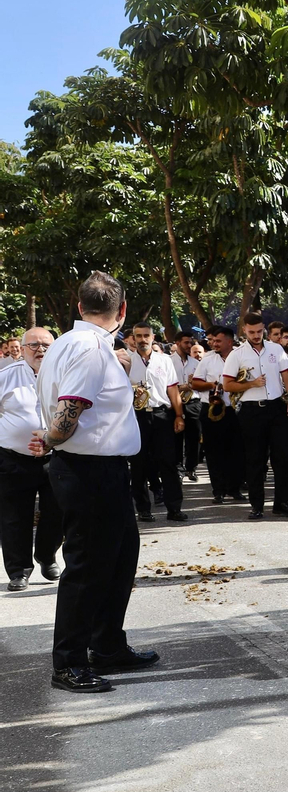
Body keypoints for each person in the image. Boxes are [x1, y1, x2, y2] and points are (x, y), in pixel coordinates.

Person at [33, 272, 157, 693]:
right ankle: (68, 661)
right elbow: (70, 410)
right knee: (87, 569)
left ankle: (107, 645)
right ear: (121, 311)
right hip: (88, 470)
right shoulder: (88, 348)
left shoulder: (74, 342)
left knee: (120, 559)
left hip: (102, 470)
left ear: (79, 305)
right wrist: (50, 438)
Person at [0, 328, 61, 591]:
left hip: (56, 457)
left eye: (46, 345)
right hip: (13, 459)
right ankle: (18, 571)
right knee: (14, 516)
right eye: (34, 345)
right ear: (22, 349)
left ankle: (46, 555)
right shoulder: (5, 377)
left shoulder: (65, 376)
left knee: (56, 512)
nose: (40, 350)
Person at [225, 314, 288, 521]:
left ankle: (281, 503)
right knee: (255, 459)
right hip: (251, 410)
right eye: (251, 332)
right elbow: (227, 385)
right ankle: (256, 505)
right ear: (244, 331)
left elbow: (286, 376)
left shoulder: (276, 349)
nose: (256, 336)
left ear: (264, 329)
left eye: (259, 331)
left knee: (283, 457)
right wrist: (251, 384)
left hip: (276, 408)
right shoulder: (236, 354)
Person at [126, 320, 187, 524]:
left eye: (146, 336)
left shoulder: (165, 360)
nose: (142, 340)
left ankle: (174, 508)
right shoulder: (126, 361)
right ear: (133, 339)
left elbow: (172, 389)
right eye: (138, 336)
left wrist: (179, 415)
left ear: (153, 338)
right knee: (139, 465)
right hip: (137, 416)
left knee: (168, 463)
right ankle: (143, 509)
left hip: (162, 415)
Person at [191, 325, 244, 503]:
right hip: (212, 408)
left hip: (236, 409)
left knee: (236, 451)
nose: (214, 344)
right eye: (213, 341)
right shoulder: (207, 359)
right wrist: (213, 385)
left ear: (229, 341)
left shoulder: (241, 356)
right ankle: (218, 491)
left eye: (218, 341)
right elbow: (196, 383)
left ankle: (234, 488)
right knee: (214, 452)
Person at [171, 330, 203, 479]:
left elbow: (201, 384)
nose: (189, 345)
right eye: (186, 343)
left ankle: (192, 467)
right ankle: (178, 466)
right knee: (176, 437)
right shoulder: (168, 361)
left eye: (191, 342)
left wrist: (194, 384)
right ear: (177, 343)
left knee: (194, 436)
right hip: (175, 402)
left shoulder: (196, 363)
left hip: (193, 403)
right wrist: (183, 387)